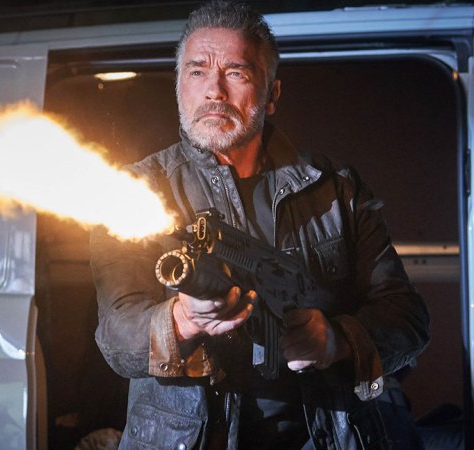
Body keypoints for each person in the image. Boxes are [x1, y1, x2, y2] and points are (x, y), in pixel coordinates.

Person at [89, 1, 430, 448]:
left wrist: (335, 340)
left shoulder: (336, 189)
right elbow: (116, 338)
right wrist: (182, 320)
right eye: (196, 71)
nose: (213, 91)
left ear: (272, 94)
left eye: (236, 73)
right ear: (178, 87)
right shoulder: (132, 191)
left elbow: (408, 317)